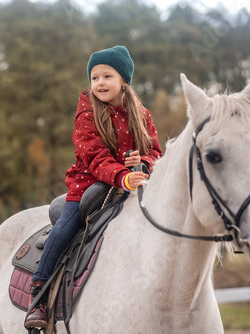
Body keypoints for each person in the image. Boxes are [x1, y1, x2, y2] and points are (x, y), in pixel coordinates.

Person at [24, 45, 163, 329]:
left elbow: (156, 151)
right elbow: (93, 154)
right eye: (94, 77)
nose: (99, 83)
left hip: (131, 187)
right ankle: (39, 292)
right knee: (66, 227)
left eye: (107, 76)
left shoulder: (143, 114)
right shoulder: (87, 110)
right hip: (88, 184)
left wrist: (143, 164)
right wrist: (123, 175)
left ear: (124, 80)